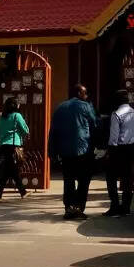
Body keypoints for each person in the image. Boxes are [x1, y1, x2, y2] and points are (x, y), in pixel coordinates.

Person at [49, 84, 97, 220]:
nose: (86, 96)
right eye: (85, 93)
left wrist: (52, 151)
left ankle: (69, 207)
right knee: (84, 180)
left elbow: (53, 131)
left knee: (68, 179)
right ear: (79, 93)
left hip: (65, 151)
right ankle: (78, 207)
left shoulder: (60, 108)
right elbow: (95, 124)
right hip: (83, 149)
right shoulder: (85, 106)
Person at [104, 90, 134, 217]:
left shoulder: (116, 114)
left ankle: (114, 206)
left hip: (118, 148)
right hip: (130, 148)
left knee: (111, 177)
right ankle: (126, 207)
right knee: (128, 178)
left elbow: (114, 137)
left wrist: (109, 152)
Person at [0, 97, 30, 200]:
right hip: (13, 146)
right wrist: (21, 134)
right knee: (13, 171)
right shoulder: (17, 116)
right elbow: (25, 130)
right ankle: (22, 191)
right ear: (15, 106)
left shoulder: (2, 117)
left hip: (3, 146)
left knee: (8, 171)